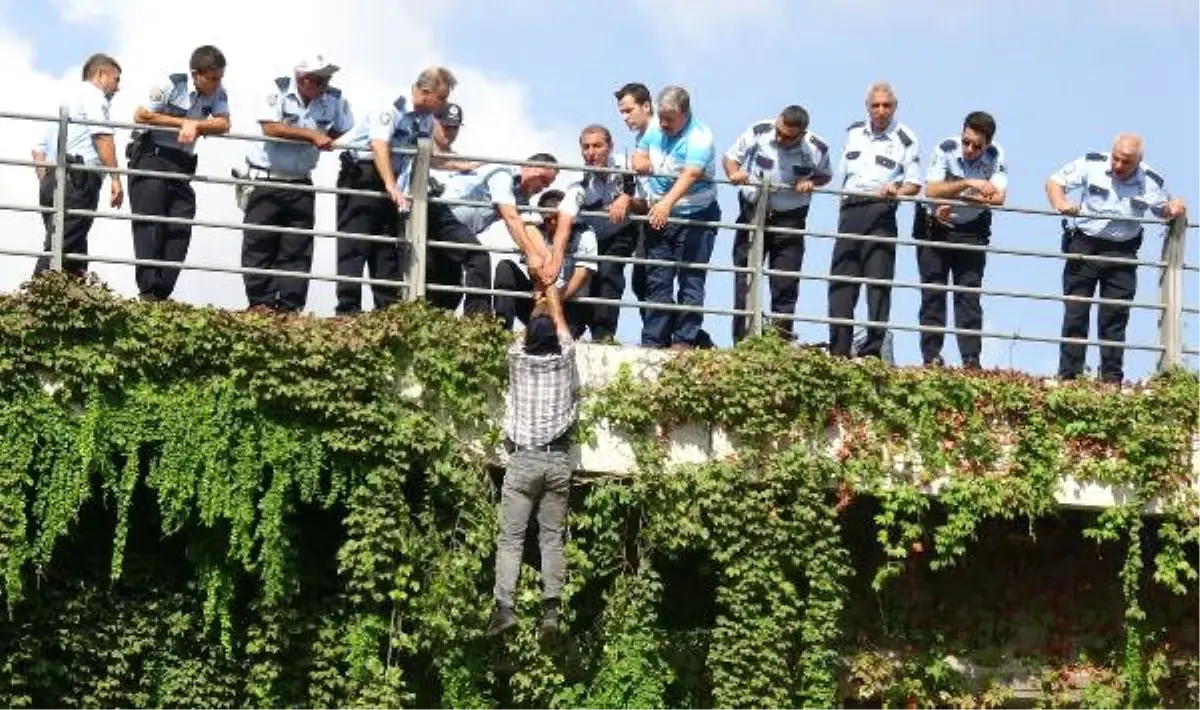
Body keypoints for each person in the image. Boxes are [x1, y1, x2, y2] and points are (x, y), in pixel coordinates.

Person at [1045, 134, 1187, 383]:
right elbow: (1054, 181)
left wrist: (1174, 207)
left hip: (1122, 252)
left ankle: (1111, 380)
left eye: (1126, 162)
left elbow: (1163, 210)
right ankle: (1069, 376)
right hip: (1085, 246)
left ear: (1138, 162)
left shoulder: (1150, 181)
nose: (1119, 166)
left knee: (1115, 317)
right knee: (1076, 312)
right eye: (1116, 159)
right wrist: (1060, 201)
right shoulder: (1092, 163)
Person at [487, 280, 579, 642]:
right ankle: (551, 613)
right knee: (551, 539)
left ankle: (505, 610)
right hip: (556, 460)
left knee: (511, 540)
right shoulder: (565, 358)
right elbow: (562, 329)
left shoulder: (516, 359)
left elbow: (526, 334)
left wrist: (536, 297)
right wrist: (551, 295)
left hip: (523, 460)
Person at [333, 67, 454, 314]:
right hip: (364, 176)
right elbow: (379, 144)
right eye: (442, 97)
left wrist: (464, 165)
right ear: (425, 92)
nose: (445, 103)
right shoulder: (390, 106)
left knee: (386, 248)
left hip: (393, 182)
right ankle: (347, 309)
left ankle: (387, 311)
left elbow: (431, 157)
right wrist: (390, 184)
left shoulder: (426, 120)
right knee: (355, 244)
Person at [239, 55, 352, 312]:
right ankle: (260, 304)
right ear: (304, 80)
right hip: (266, 180)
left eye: (327, 79)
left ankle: (291, 308)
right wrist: (312, 136)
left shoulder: (332, 100)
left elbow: (346, 124)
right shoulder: (276, 91)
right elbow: (271, 128)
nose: (325, 84)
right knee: (259, 244)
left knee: (297, 250)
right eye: (321, 79)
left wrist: (324, 139)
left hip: (301, 183)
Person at [128, 45, 230, 301]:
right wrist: (181, 123)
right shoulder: (173, 83)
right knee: (151, 224)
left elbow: (224, 123)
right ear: (196, 74)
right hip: (152, 157)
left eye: (220, 78)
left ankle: (163, 291)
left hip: (181, 165)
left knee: (180, 226)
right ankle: (149, 292)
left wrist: (195, 124)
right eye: (213, 78)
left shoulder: (218, 91)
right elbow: (141, 114)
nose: (217, 83)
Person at [828, 82, 921, 359]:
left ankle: (872, 350)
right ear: (867, 107)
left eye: (887, 105)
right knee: (842, 281)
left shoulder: (905, 138)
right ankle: (839, 350)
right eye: (876, 105)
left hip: (881, 210)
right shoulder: (853, 132)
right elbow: (843, 175)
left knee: (878, 281)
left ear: (895, 107)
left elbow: (915, 184)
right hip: (850, 211)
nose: (881, 111)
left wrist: (897, 190)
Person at [723, 105, 831, 341]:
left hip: (790, 218)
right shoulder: (759, 131)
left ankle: (779, 343)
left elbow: (826, 175)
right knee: (746, 278)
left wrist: (811, 181)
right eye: (779, 131)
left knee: (785, 281)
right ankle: (742, 341)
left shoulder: (816, 148)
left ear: (801, 134)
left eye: (788, 136)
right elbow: (730, 158)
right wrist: (734, 174)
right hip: (753, 212)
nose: (780, 138)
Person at [916, 111, 1007, 368]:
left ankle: (971, 359)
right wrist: (970, 183)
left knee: (968, 293)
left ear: (988, 144)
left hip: (971, 227)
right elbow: (931, 190)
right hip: (934, 224)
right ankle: (931, 357)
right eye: (966, 141)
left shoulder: (995, 156)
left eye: (977, 145)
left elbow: (999, 198)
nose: (969, 149)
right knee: (933, 291)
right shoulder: (945, 149)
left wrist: (956, 195)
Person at [631, 85, 720, 349]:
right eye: (661, 117)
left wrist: (666, 204)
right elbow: (641, 148)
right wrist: (640, 160)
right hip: (660, 214)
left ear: (685, 113)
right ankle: (653, 340)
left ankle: (684, 340)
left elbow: (691, 174)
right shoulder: (656, 127)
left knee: (690, 279)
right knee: (657, 278)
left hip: (695, 215)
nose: (664, 123)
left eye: (670, 118)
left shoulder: (700, 137)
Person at [34, 53, 124, 278]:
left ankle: (67, 304)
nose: (118, 87)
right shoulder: (94, 96)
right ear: (101, 74)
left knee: (73, 250)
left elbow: (38, 149)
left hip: (56, 179)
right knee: (62, 248)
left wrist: (49, 179)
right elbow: (102, 136)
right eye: (116, 79)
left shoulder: (68, 100)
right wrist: (115, 178)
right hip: (77, 178)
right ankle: (32, 304)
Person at [436, 157, 558, 315]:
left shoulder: (521, 198)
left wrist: (547, 258)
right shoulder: (503, 174)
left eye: (547, 185)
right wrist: (531, 255)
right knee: (478, 257)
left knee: (450, 288)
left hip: (455, 232)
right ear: (528, 167)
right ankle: (478, 321)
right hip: (441, 215)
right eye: (543, 180)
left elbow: (527, 228)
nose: (542, 187)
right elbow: (511, 217)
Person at [551, 124, 636, 341]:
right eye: (586, 147)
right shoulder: (578, 183)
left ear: (610, 147)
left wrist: (627, 199)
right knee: (580, 276)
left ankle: (603, 337)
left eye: (597, 146)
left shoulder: (629, 166)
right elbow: (564, 223)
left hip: (622, 232)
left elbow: (652, 200)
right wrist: (556, 259)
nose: (591, 152)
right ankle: (574, 330)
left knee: (609, 273)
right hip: (591, 237)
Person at [493, 189, 597, 333]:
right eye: (547, 219)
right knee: (505, 268)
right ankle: (502, 331)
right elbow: (532, 268)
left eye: (557, 217)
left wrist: (553, 299)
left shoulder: (584, 233)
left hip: (570, 304)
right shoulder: (538, 232)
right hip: (540, 300)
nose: (553, 222)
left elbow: (581, 276)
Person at [613, 82, 652, 324]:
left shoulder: (660, 134)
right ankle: (660, 335)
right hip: (647, 217)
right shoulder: (641, 138)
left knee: (656, 281)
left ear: (646, 106)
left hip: (667, 214)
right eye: (621, 113)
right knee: (643, 282)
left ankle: (677, 337)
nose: (625, 118)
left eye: (629, 111)